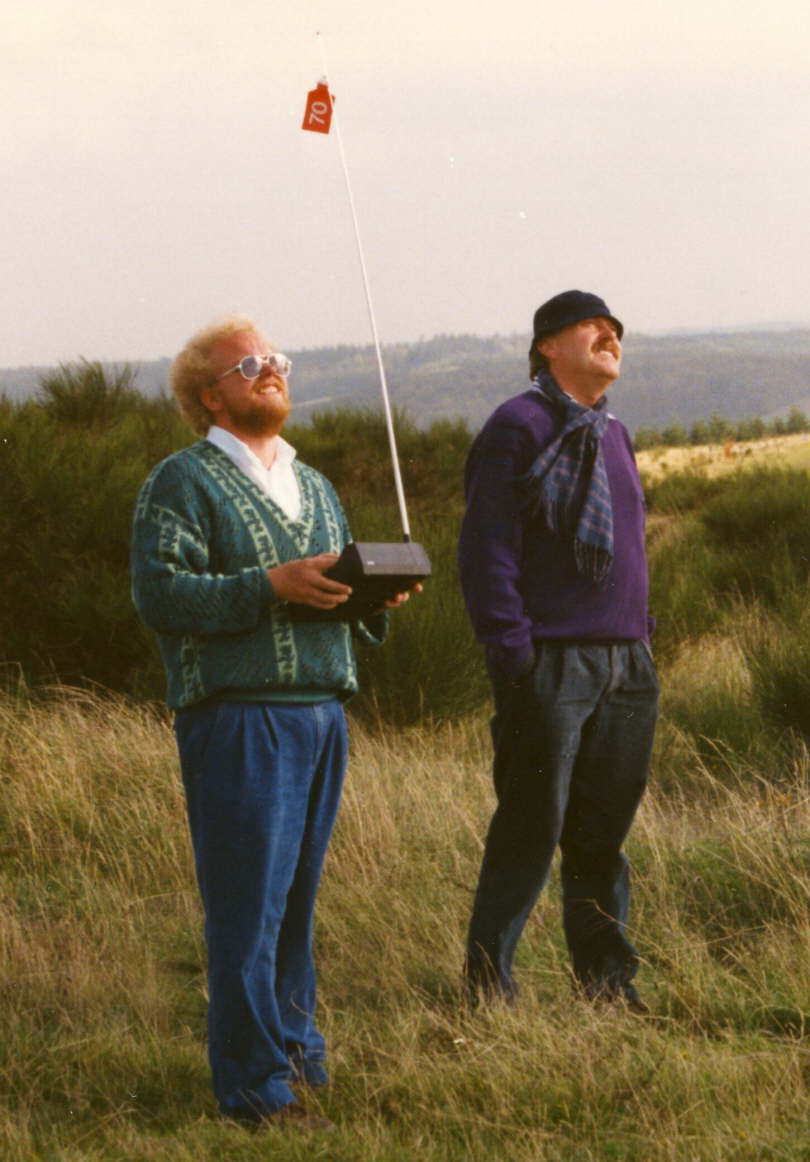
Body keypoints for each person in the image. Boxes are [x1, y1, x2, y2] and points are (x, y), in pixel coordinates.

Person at [131, 316, 415, 1128]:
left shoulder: (313, 482)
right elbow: (161, 594)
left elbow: (331, 591)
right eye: (249, 364)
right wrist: (269, 584)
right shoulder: (181, 482)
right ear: (209, 395)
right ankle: (255, 1090)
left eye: (276, 359)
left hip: (322, 715)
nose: (271, 370)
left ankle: (296, 1054)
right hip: (240, 718)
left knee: (295, 903)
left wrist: (373, 595)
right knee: (247, 910)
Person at [457, 290, 659, 1010]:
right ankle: (489, 988)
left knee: (601, 836)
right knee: (529, 829)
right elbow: (486, 550)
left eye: (615, 328)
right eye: (591, 325)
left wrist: (639, 638)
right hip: (550, 664)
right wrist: (515, 653)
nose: (609, 334)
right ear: (547, 345)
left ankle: (606, 985)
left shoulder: (615, 432)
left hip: (626, 663)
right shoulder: (519, 425)